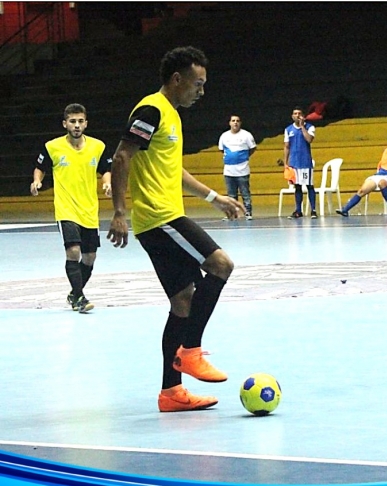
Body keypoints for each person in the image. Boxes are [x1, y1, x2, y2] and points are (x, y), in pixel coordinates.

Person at [107, 46, 246, 413]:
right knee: (221, 265)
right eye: (197, 84)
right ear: (177, 79)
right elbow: (121, 156)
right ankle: (190, 351)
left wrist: (215, 197)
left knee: (182, 303)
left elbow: (173, 171)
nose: (201, 91)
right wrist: (119, 211)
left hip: (164, 216)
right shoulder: (152, 109)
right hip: (160, 218)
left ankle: (171, 393)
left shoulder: (171, 115)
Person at [30, 103, 112, 314]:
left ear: (86, 123)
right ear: (65, 123)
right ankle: (80, 298)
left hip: (89, 209)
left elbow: (105, 169)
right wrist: (36, 182)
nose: (76, 125)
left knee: (89, 257)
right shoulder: (52, 147)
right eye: (72, 121)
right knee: (73, 251)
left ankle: (75, 293)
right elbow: (40, 168)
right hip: (66, 208)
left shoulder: (98, 146)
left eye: (80, 121)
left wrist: (107, 182)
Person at [336, 137, 387, 216]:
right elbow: (381, 164)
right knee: (362, 190)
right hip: (380, 174)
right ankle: (345, 209)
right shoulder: (386, 151)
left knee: (381, 183)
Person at [218, 114, 256, 220]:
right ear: (229, 123)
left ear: (240, 123)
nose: (235, 122)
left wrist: (242, 157)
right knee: (231, 195)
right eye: (233, 120)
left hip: (242, 171)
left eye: (237, 121)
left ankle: (248, 212)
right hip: (229, 172)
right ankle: (232, 214)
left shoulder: (246, 135)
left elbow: (252, 148)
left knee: (245, 194)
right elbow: (222, 150)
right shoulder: (224, 136)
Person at [284, 107, 317, 218]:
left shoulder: (310, 127)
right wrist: (286, 163)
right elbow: (287, 147)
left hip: (305, 162)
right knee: (297, 187)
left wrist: (302, 126)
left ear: (303, 115)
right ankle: (298, 210)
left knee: (309, 185)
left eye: (299, 113)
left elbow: (309, 139)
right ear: (292, 116)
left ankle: (313, 210)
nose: (297, 115)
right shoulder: (288, 130)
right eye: (295, 114)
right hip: (294, 163)